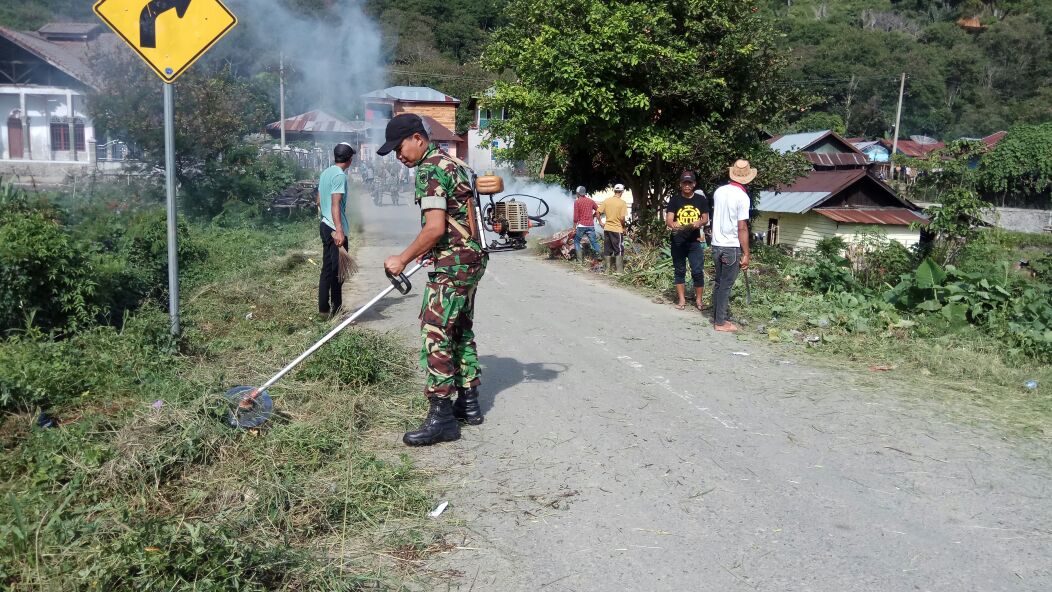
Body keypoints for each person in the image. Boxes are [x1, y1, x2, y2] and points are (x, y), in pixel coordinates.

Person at [378, 113, 488, 446]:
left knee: (435, 330)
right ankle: (468, 404)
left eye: (399, 147)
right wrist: (433, 250)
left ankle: (441, 417)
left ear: (417, 138)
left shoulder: (430, 169)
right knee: (460, 328)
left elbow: (434, 227)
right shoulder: (456, 164)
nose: (398, 155)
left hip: (454, 264)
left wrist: (402, 259)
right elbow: (456, 220)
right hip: (472, 259)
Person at [710, 159, 755, 332]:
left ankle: (717, 316)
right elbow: (742, 227)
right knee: (726, 284)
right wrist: (746, 253)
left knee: (720, 283)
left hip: (716, 244)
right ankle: (720, 322)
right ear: (748, 179)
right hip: (731, 246)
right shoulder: (743, 197)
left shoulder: (719, 192)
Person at [317, 142, 354, 317]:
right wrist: (339, 230)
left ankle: (323, 310)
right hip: (334, 228)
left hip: (325, 225)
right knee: (338, 273)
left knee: (327, 269)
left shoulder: (326, 172)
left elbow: (318, 200)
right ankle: (337, 311)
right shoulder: (339, 175)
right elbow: (335, 204)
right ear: (350, 159)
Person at [665, 171, 709, 311]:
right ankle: (682, 300)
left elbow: (705, 218)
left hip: (695, 241)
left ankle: (699, 301)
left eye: (690, 183)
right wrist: (674, 224)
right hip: (678, 241)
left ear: (694, 184)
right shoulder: (675, 200)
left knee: (697, 270)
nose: (687, 185)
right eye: (685, 183)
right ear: (680, 184)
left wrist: (699, 223)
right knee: (680, 270)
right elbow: (669, 220)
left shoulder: (701, 200)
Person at [597, 183, 629, 272]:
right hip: (617, 229)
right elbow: (622, 218)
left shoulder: (607, 201)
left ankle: (607, 270)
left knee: (607, 249)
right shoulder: (622, 203)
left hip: (607, 229)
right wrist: (623, 227)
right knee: (618, 249)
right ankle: (619, 271)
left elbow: (597, 212)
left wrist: (600, 222)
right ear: (622, 192)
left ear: (614, 191)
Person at [572, 185, 601, 262]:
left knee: (576, 241)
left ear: (578, 193)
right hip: (591, 225)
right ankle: (601, 256)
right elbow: (599, 210)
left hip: (581, 225)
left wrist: (574, 228)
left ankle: (580, 260)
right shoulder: (591, 201)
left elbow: (575, 217)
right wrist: (594, 217)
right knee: (594, 242)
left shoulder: (577, 202)